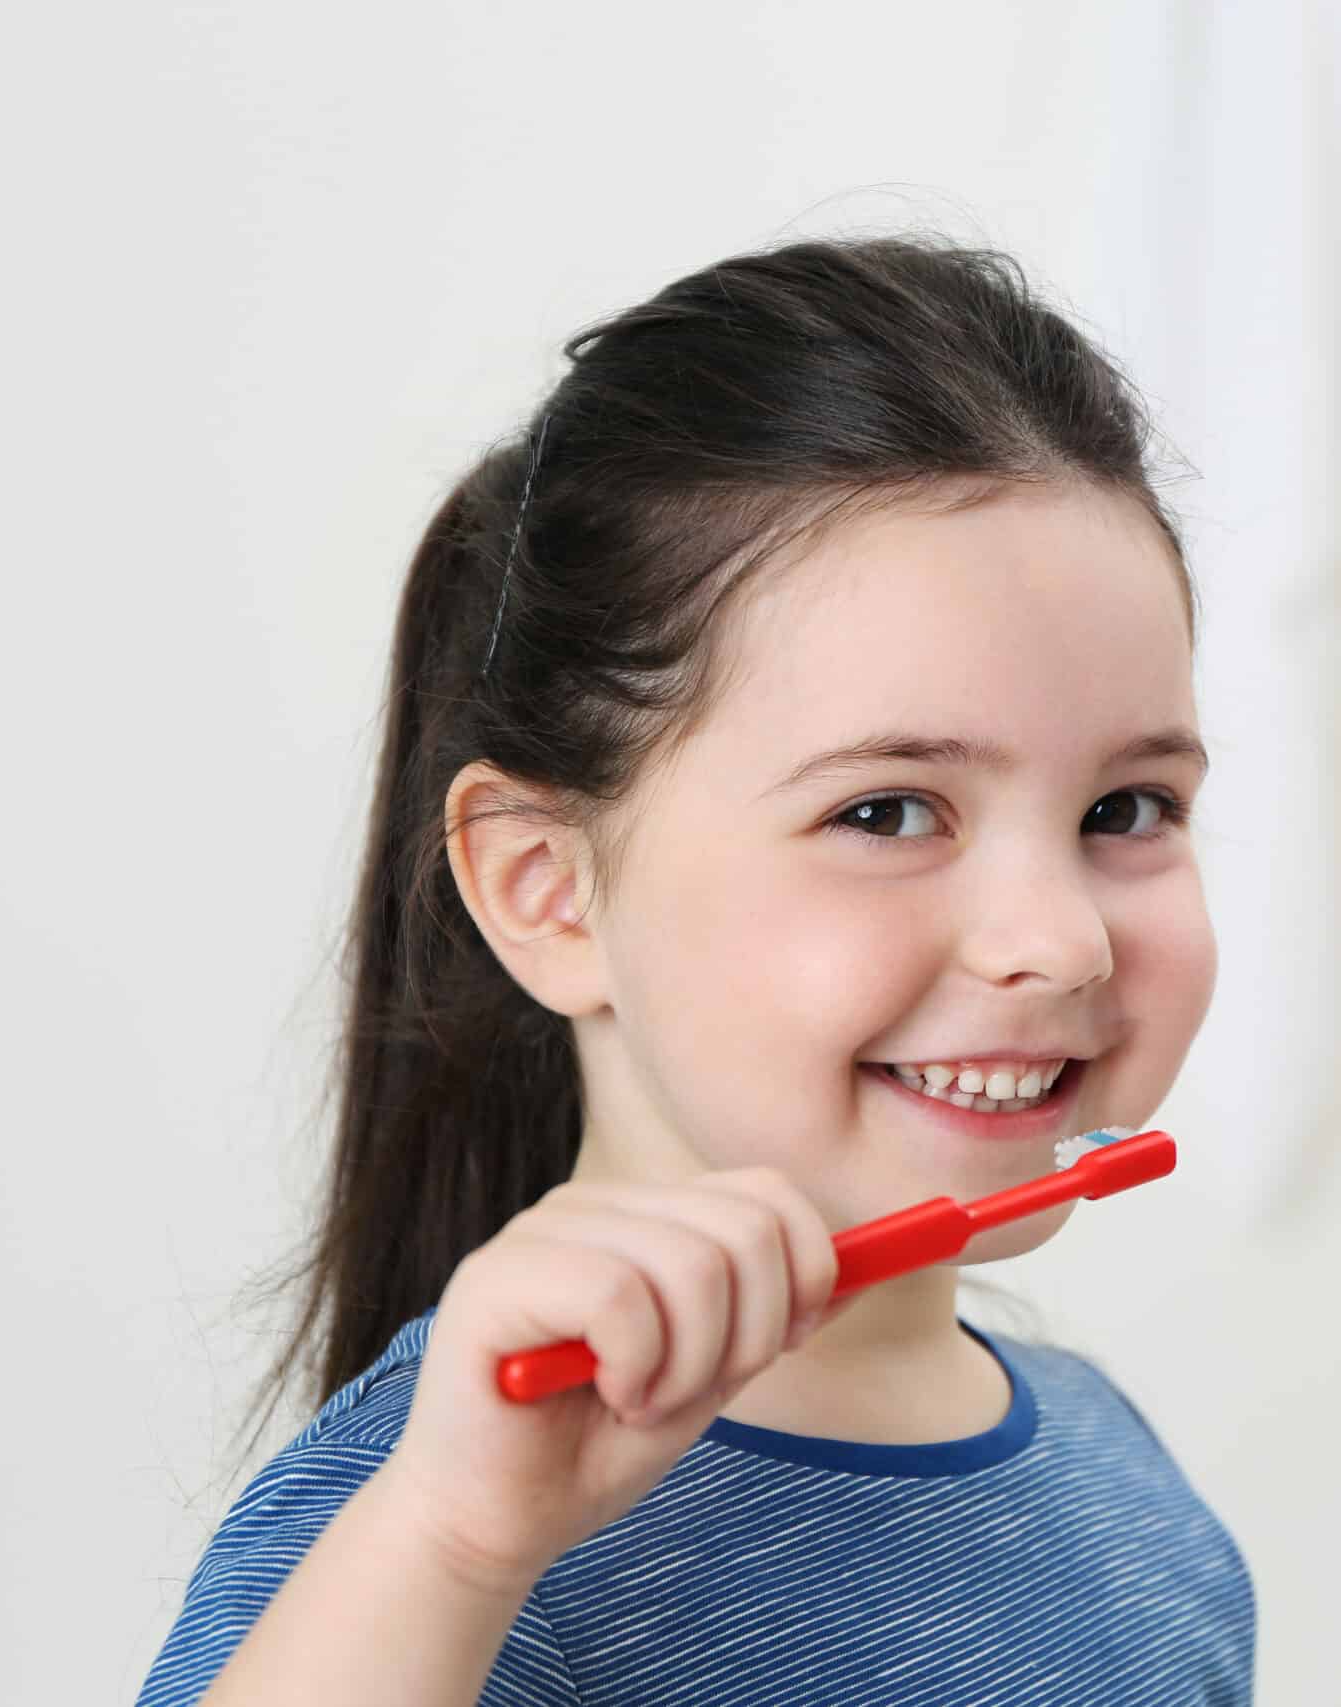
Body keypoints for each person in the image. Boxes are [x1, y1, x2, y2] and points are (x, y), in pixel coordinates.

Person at [135, 233, 1255, 1705]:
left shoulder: (1116, 1477)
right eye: (887, 812)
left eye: (1126, 811)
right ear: (548, 894)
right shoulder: (431, 1537)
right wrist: (456, 1545)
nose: (1059, 941)